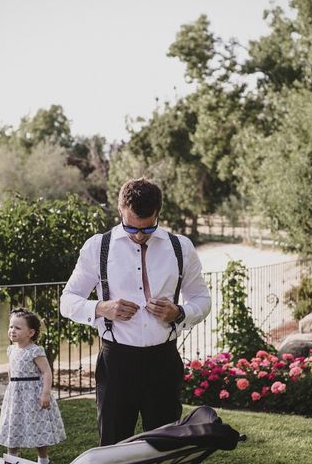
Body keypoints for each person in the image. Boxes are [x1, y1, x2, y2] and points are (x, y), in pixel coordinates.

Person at [60, 177, 211, 446]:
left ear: (158, 214)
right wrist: (101, 308)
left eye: (147, 228)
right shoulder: (97, 247)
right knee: (114, 448)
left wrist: (179, 312)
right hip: (116, 363)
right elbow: (67, 301)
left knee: (165, 448)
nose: (139, 235)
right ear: (120, 210)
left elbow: (202, 299)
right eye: (130, 226)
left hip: (163, 361)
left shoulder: (181, 248)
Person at [0, 307, 66, 464]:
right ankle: (11, 459)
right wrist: (10, 390)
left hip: (33, 395)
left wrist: (45, 393)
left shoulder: (35, 351)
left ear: (31, 333)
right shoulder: (11, 349)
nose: (12, 331)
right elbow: (11, 371)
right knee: (13, 426)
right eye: (11, 326)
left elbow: (47, 372)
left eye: (17, 328)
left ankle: (43, 460)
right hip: (16, 396)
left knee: (37, 426)